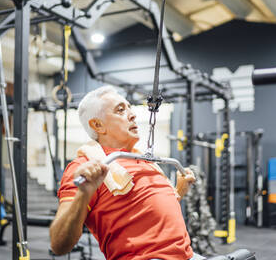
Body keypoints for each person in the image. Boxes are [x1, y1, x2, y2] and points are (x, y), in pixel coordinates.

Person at [49, 85, 197, 260]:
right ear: (98, 125)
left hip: (189, 255)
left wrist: (177, 193)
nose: (133, 115)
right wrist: (84, 193)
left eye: (129, 107)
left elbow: (145, 211)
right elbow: (58, 244)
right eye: (120, 110)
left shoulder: (142, 158)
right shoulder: (90, 166)